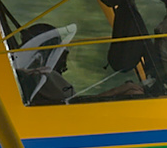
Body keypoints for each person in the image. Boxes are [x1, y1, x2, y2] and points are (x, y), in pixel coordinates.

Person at [12, 23, 144, 105]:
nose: (64, 55)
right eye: (58, 49)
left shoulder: (30, 75)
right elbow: (73, 105)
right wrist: (118, 91)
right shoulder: (42, 76)